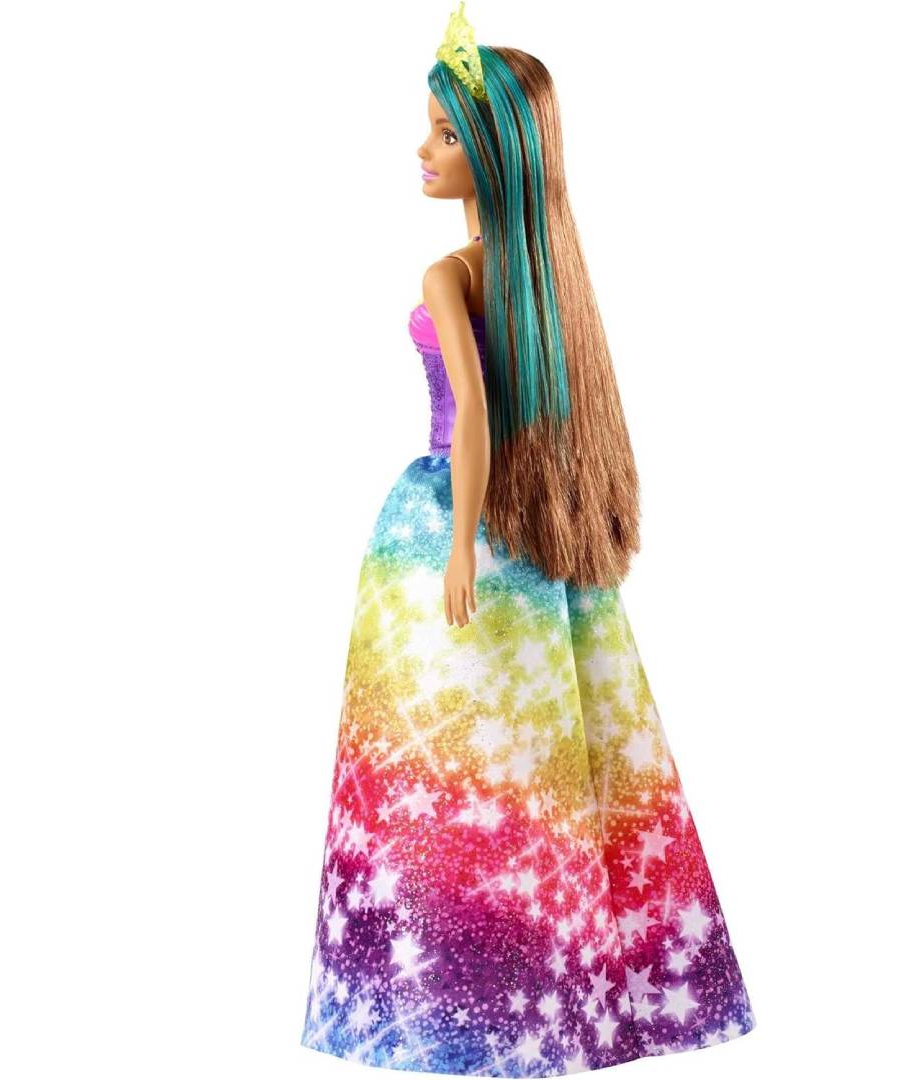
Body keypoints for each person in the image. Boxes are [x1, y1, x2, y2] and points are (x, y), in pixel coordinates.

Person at [300, 7, 756, 1074]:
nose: (423, 151)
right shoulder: (551, 281)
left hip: (455, 530)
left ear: (494, 152)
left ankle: (444, 1012)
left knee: (443, 769)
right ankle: (556, 1006)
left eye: (445, 134)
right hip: (542, 546)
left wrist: (460, 542)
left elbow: (473, 419)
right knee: (545, 765)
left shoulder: (451, 274)